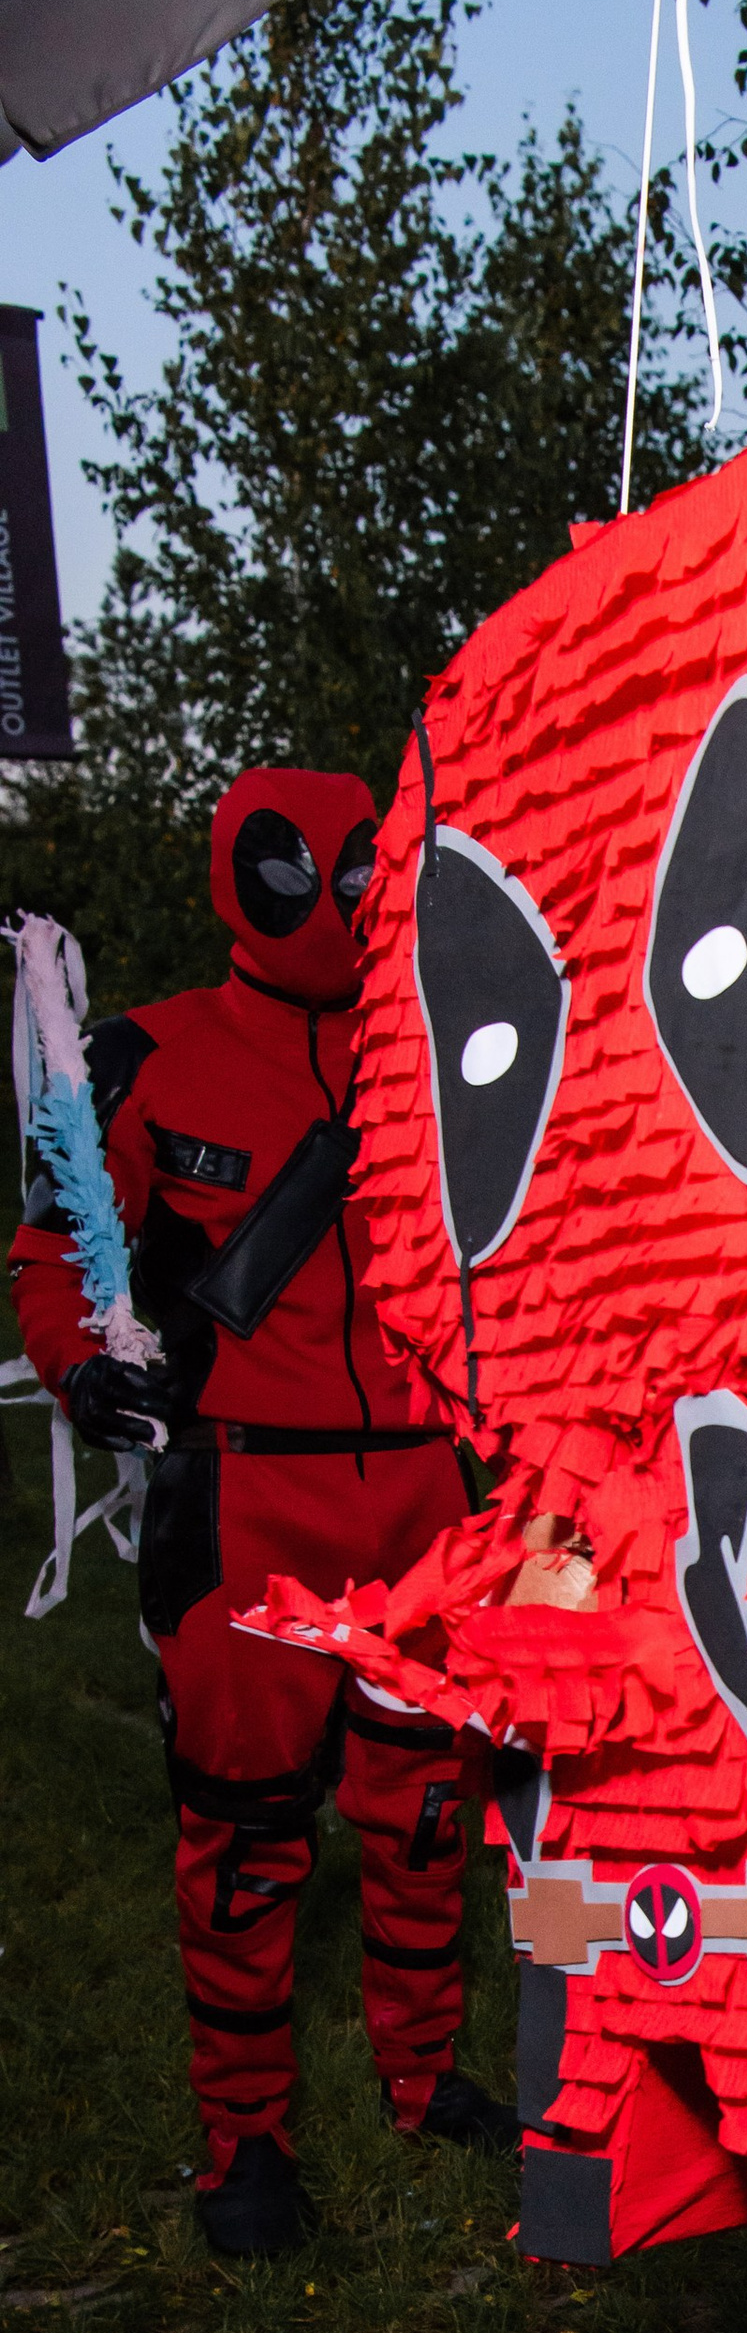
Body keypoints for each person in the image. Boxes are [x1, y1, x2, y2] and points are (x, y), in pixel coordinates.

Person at [6, 772, 515, 2257]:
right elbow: (53, 1251)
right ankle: (245, 2134)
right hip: (245, 1493)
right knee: (241, 1833)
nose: (345, 897)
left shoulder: (451, 1050)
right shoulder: (149, 1056)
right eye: (319, 870)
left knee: (429, 1809)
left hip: (423, 1484)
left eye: (364, 867)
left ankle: (422, 2075)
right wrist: (83, 1365)